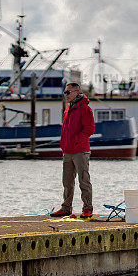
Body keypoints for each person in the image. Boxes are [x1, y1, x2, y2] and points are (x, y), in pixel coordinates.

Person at [50, 82, 95, 218]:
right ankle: (66, 208)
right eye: (65, 92)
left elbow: (90, 129)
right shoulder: (68, 109)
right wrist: (64, 144)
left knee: (84, 180)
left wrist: (76, 140)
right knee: (67, 181)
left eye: (68, 92)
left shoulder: (85, 109)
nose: (66, 95)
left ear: (77, 92)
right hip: (68, 151)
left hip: (80, 151)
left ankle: (87, 208)